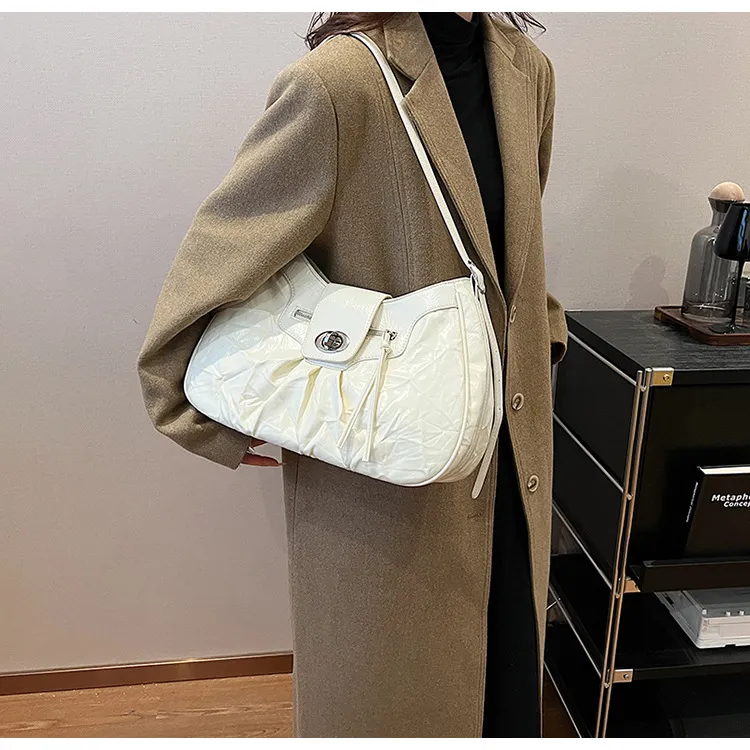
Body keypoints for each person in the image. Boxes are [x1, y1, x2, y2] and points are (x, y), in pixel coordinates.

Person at [137, 11, 568, 738]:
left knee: (507, 675)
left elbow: (515, 245)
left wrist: (541, 338)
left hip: (512, 438)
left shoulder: (528, 71)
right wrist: (193, 408)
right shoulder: (336, 86)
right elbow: (223, 253)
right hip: (385, 460)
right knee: (390, 688)